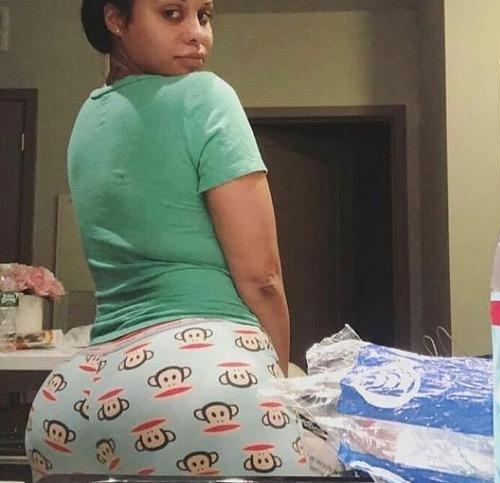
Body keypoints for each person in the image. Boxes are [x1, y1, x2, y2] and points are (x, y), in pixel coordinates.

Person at [25, 0, 310, 479]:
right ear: (115, 20)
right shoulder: (205, 96)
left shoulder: (88, 118)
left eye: (205, 15)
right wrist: (276, 387)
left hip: (73, 402)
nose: (198, 34)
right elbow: (262, 278)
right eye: (172, 14)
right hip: (200, 382)